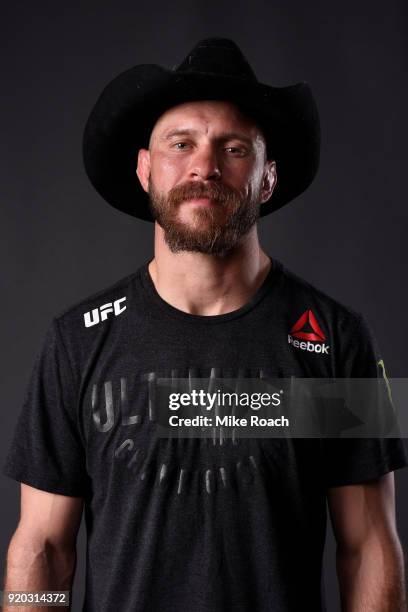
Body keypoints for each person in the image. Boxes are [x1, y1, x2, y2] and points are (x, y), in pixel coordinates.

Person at [2, 37, 407, 612]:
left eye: (235, 148)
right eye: (180, 143)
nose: (204, 166)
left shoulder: (336, 339)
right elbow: (42, 546)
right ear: (145, 169)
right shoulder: (79, 340)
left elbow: (367, 546)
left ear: (267, 178)